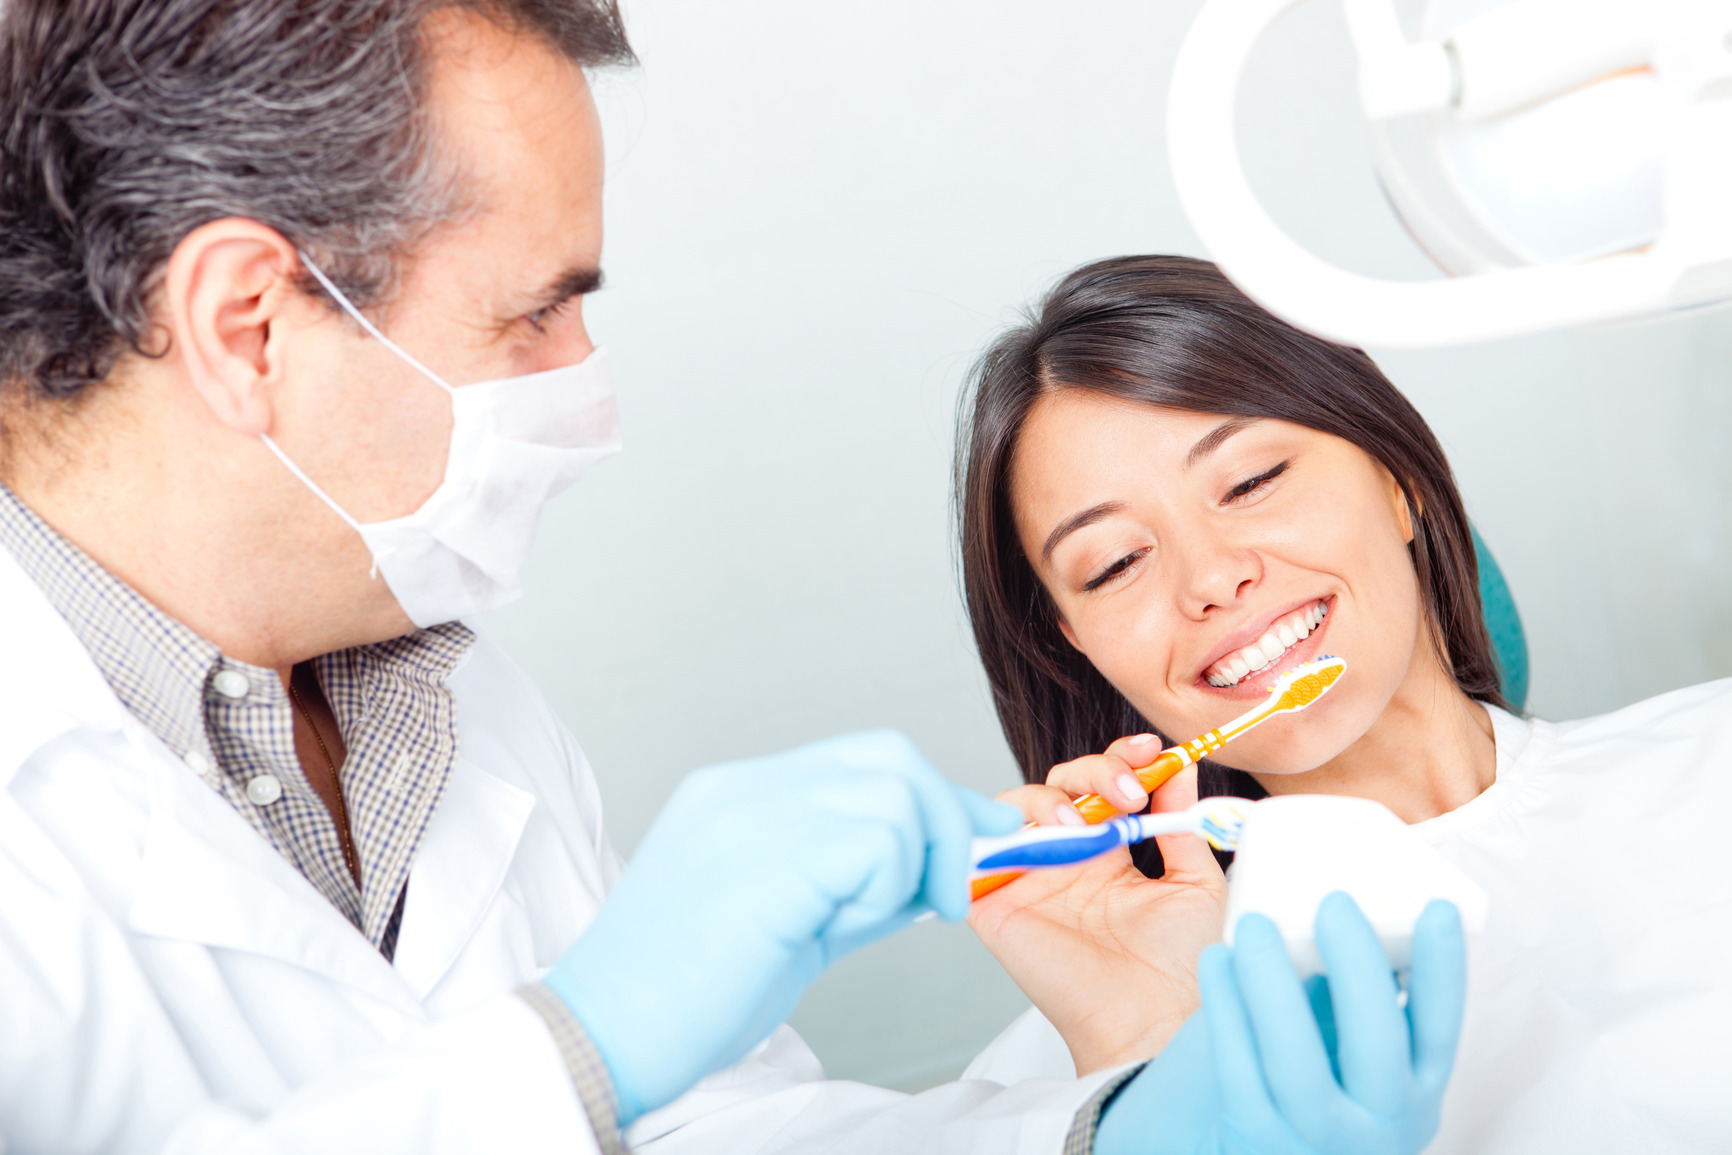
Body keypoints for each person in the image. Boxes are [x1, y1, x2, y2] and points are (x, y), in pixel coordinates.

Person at [0, 4, 1459, 1152]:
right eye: (537, 314)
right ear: (249, 325)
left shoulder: (443, 707)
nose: (592, 394)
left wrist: (1117, 1124)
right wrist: (578, 1047)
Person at [954, 254, 1732, 1154]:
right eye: (1117, 563)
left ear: (1394, 477)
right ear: (1076, 642)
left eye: (1250, 482)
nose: (1212, 578)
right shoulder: (1075, 1073)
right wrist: (1156, 1056)